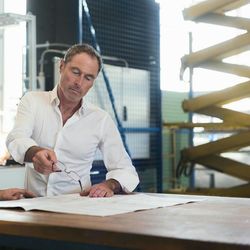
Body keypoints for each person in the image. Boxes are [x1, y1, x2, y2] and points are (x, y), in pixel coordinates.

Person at [6, 43, 139, 198]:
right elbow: (16, 138)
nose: (79, 82)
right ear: (61, 66)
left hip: (78, 208)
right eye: (75, 72)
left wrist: (108, 185)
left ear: (93, 82)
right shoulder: (32, 101)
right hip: (34, 206)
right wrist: (35, 153)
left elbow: (125, 169)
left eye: (88, 78)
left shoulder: (100, 119)